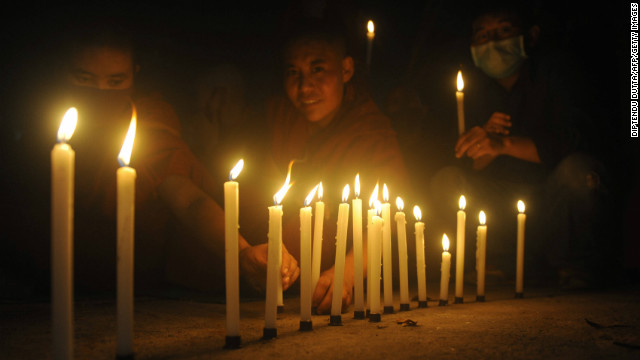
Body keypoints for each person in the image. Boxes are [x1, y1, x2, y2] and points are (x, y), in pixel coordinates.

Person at [5, 23, 299, 296]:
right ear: (63, 73)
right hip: (37, 285)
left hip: (133, 289)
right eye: (85, 78)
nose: (100, 92)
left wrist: (242, 253)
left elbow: (189, 201)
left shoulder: (147, 125)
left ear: (134, 74)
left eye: (115, 80)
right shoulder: (38, 126)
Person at [430, 5, 612, 288]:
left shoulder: (557, 73)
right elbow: (464, 164)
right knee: (447, 181)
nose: (492, 42)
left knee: (581, 172)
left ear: (531, 35)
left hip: (554, 201)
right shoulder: (472, 90)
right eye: (482, 34)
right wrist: (481, 147)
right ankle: (495, 262)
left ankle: (575, 267)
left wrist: (504, 144)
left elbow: (580, 137)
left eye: (503, 31)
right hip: (500, 205)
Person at [264, 20, 409, 313]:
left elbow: (390, 213)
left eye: (318, 69)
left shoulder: (370, 130)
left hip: (336, 256)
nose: (305, 87)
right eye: (294, 73)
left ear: (346, 70)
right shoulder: (278, 117)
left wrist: (347, 273)